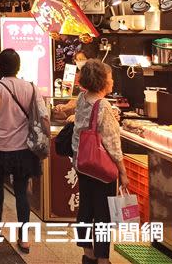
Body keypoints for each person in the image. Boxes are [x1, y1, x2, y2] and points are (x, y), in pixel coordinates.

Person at [0, 48, 45, 253]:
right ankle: (24, 237)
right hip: (23, 148)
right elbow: (42, 116)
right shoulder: (30, 87)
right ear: (18, 66)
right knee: (22, 192)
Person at [72, 60, 126, 264]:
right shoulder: (102, 104)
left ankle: (88, 254)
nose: (112, 81)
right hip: (101, 168)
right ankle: (103, 259)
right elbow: (112, 143)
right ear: (102, 81)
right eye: (110, 77)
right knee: (103, 213)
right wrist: (123, 171)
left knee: (86, 207)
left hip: (84, 163)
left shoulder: (82, 98)